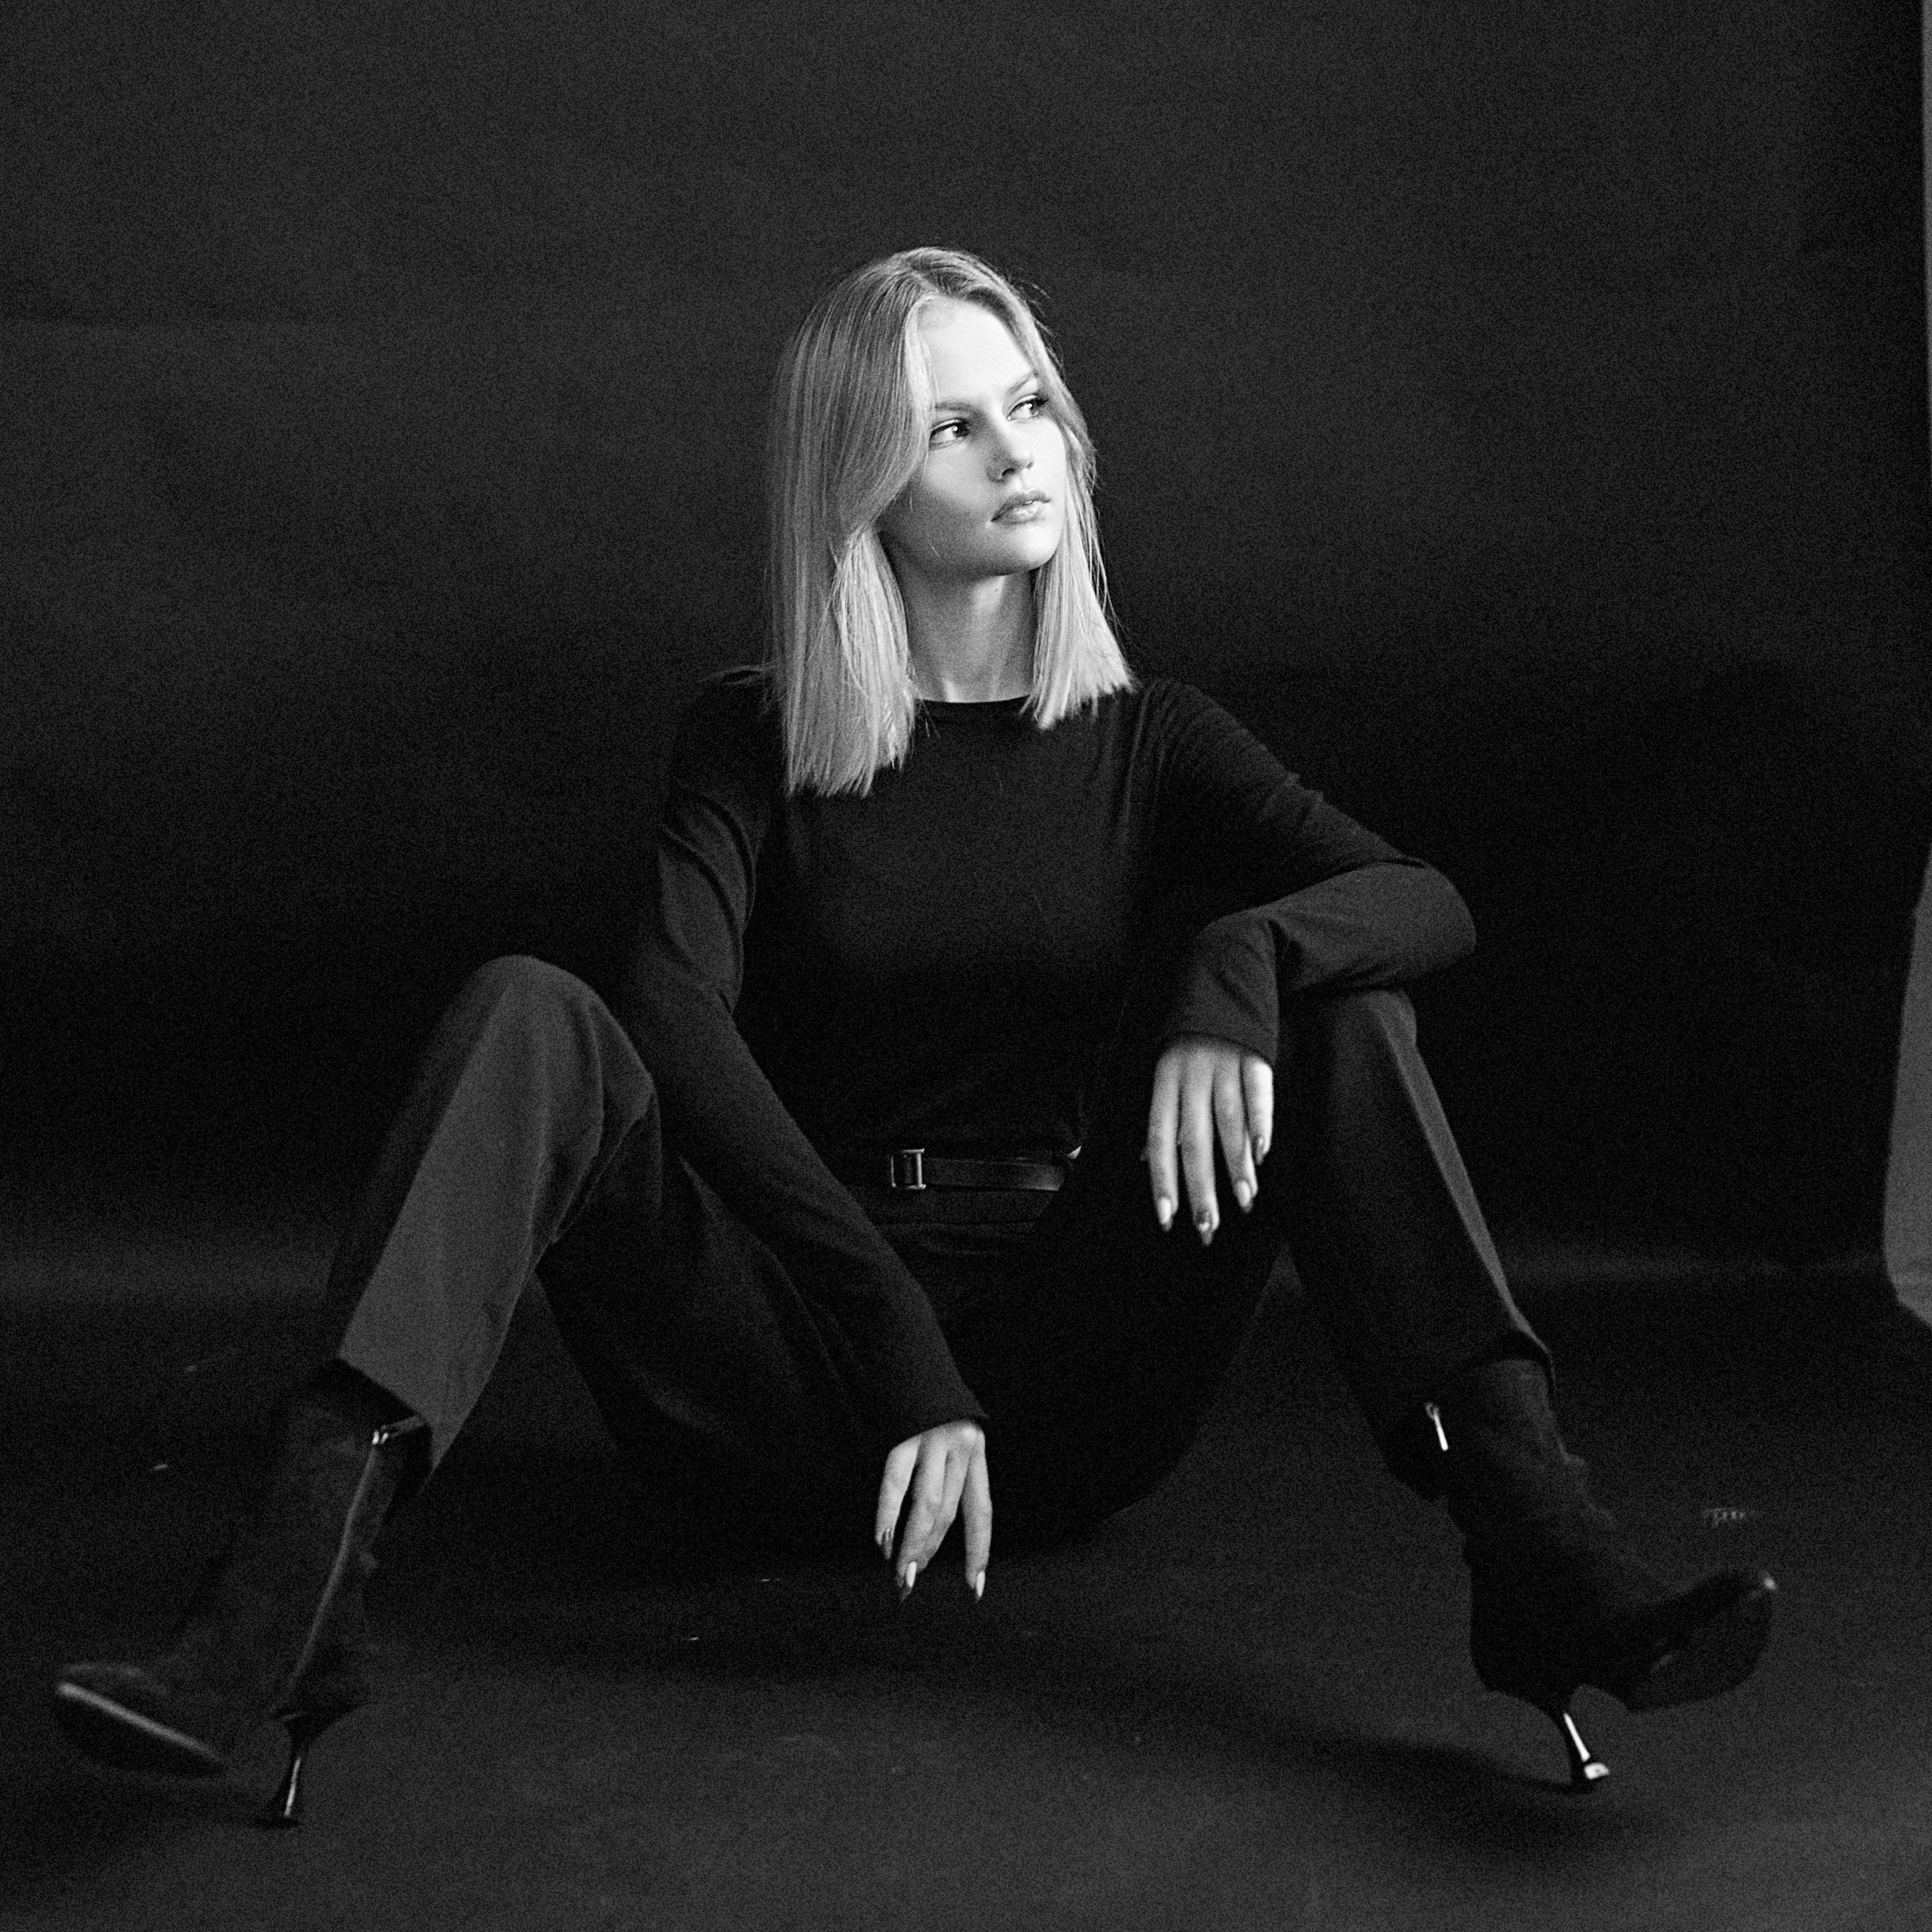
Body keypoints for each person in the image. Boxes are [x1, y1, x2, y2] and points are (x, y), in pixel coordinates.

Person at [53, 246, 1774, 1823]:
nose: (1019, 452)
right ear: (861, 479)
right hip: (792, 1373)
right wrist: (894, 1344)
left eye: (1030, 404)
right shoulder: (754, 737)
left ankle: (1542, 1551)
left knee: (1344, 1007)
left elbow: (1425, 898)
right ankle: (283, 1602)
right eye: (953, 426)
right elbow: (666, 1013)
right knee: (534, 1008)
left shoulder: (1153, 739)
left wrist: (1235, 961)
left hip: (1066, 1381)